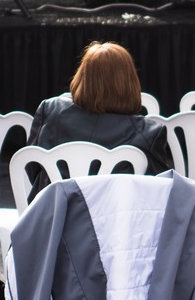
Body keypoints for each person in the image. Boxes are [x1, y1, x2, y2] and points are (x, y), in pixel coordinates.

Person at [24, 40, 172, 195]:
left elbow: (31, 166)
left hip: (53, 216)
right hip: (116, 218)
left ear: (82, 76)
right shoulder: (149, 133)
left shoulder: (50, 110)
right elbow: (158, 191)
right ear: (130, 82)